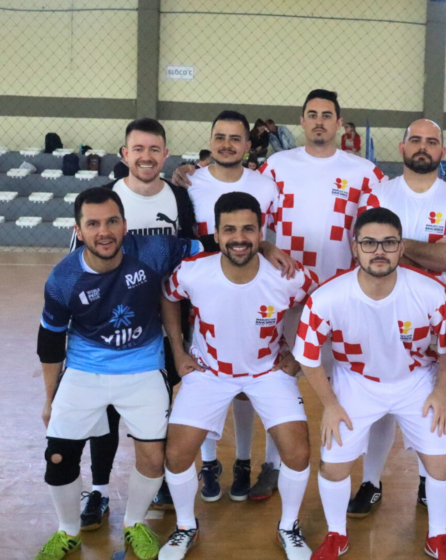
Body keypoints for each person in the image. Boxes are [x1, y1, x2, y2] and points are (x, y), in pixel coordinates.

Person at [172, 89, 388, 500]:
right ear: (302, 122)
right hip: (285, 292)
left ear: (340, 124)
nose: (320, 121)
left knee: (348, 381)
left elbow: (391, 207)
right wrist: (194, 168)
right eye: (312, 114)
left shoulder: (365, 172)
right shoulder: (275, 168)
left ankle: (354, 474)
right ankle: (271, 465)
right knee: (277, 374)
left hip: (343, 295)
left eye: (328, 115)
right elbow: (241, 199)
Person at [36, 188, 201, 560]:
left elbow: (219, 241)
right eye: (93, 224)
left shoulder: (154, 252)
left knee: (153, 458)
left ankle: (134, 522)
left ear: (125, 225)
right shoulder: (63, 278)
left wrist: (268, 248)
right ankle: (67, 530)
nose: (104, 231)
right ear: (78, 230)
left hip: (143, 368)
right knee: (58, 457)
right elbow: (49, 341)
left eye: (112, 221)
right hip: (84, 371)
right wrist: (50, 399)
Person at [294, 207, 446, 560]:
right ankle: (336, 534)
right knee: (334, 465)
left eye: (389, 242)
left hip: (416, 381)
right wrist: (331, 405)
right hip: (356, 383)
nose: (379, 251)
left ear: (402, 248)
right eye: (369, 243)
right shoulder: (327, 296)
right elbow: (308, 358)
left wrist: (440, 393)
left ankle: (439, 537)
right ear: (354, 248)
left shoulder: (431, 292)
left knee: (443, 464)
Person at [158, 192, 319, 560]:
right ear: (216, 233)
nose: (239, 237)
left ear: (261, 232)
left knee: (298, 451)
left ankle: (288, 527)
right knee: (177, 454)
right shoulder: (194, 270)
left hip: (267, 372)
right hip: (209, 372)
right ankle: (186, 527)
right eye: (229, 229)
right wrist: (179, 351)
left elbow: (320, 302)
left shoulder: (286, 275)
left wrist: (298, 355)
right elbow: (168, 295)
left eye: (248, 229)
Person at [73, 118, 197, 521]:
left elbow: (190, 260)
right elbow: (79, 265)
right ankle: (98, 489)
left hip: (162, 325)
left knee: (158, 405)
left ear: (165, 154)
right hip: (110, 328)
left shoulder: (179, 199)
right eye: (137, 149)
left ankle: (154, 477)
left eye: (154, 149)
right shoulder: (105, 196)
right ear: (125, 155)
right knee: (105, 412)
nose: (146, 156)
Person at [354, 118, 446, 521]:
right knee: (381, 401)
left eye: (432, 142)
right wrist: (427, 252)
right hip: (380, 310)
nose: (423, 147)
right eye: (416, 140)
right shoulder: (378, 192)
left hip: (439, 319)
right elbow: (364, 251)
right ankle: (370, 482)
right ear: (403, 148)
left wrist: (396, 250)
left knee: (436, 398)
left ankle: (430, 484)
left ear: (442, 152)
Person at [182, 109, 296, 504]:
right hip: (205, 294)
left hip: (251, 291)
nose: (227, 144)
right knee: (207, 374)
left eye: (235, 138)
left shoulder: (265, 186)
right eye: (220, 137)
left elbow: (266, 236)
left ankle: (245, 460)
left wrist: (265, 245)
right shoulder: (190, 182)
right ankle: (210, 460)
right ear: (210, 140)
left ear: (248, 145)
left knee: (247, 379)